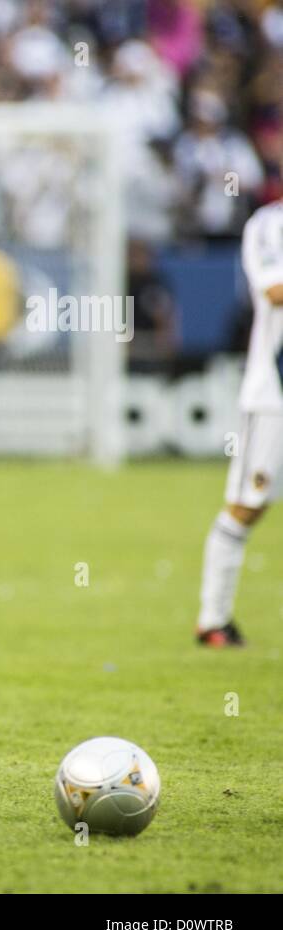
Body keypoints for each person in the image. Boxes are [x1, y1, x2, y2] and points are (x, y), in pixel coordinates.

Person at [196, 197, 283, 647]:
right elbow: (274, 290)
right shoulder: (269, 225)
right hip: (274, 397)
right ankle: (213, 619)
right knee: (250, 502)